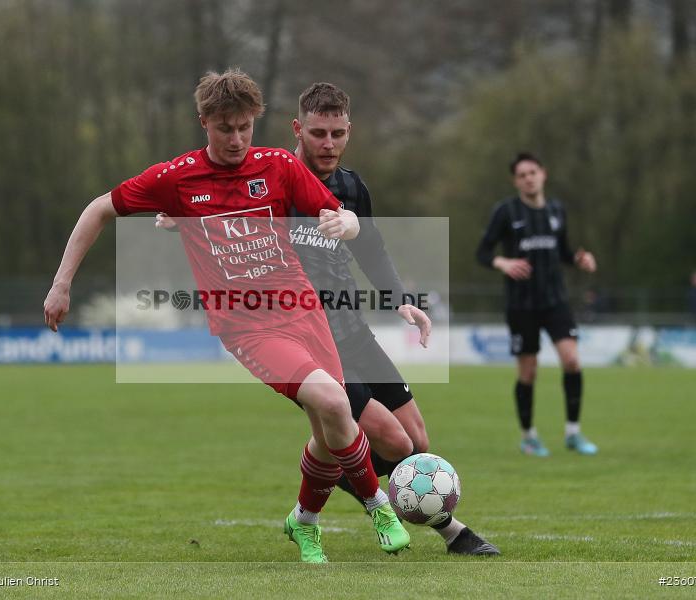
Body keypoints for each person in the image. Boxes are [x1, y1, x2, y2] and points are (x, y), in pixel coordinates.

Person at [43, 69, 410, 563]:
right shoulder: (176, 179)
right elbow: (98, 209)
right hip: (247, 326)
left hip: (303, 312)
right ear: (204, 123)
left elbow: (333, 213)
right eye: (225, 129)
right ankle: (378, 505)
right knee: (333, 402)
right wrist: (61, 282)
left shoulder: (278, 165)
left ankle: (303, 522)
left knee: (328, 426)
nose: (236, 140)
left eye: (244, 127)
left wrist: (343, 222)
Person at [159, 82, 498, 555]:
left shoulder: (352, 188)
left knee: (416, 437)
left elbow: (371, 247)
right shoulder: (274, 177)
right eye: (318, 133)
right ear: (297, 128)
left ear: (349, 131)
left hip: (353, 329)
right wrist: (181, 216)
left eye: (338, 133)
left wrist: (399, 298)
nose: (329, 144)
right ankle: (452, 532)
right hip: (305, 336)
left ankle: (307, 512)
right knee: (395, 442)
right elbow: (215, 201)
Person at [476, 152, 598, 457]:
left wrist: (578, 259)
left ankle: (573, 432)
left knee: (571, 360)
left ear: (543, 174)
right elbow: (482, 251)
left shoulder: (557, 210)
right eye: (522, 174)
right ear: (515, 181)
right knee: (528, 372)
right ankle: (529, 436)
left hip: (556, 300)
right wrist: (503, 262)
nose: (529, 178)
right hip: (522, 305)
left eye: (533, 172)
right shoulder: (506, 212)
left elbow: (563, 250)